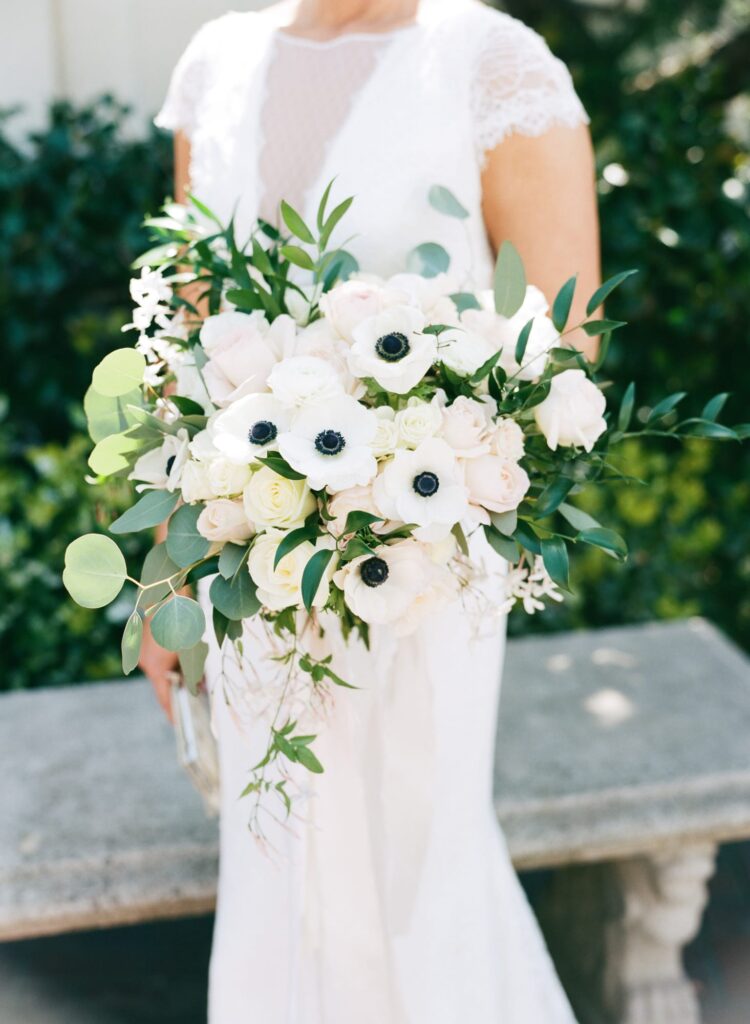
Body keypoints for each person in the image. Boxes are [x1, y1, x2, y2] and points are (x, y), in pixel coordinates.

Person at [143, 0, 600, 1020]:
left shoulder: (492, 64)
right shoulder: (215, 61)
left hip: (422, 565)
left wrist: (399, 467)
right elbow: (190, 337)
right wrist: (165, 573)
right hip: (245, 561)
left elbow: (563, 352)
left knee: (413, 872)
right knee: (279, 872)